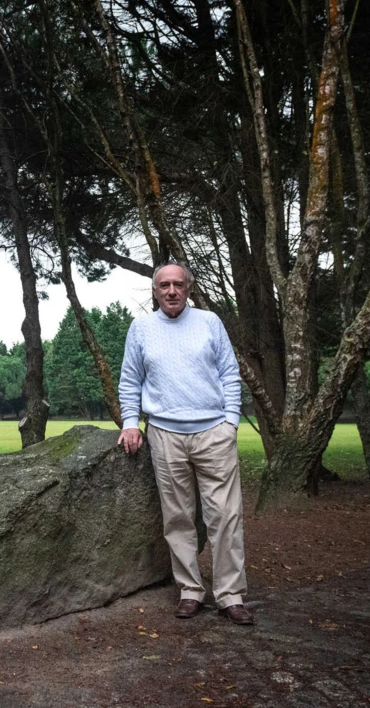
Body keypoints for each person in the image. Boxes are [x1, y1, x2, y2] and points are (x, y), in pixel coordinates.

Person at [117, 263, 253, 625]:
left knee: (225, 516)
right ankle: (190, 590)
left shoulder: (210, 322)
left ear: (189, 288)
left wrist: (231, 422)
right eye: (164, 285)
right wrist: (131, 423)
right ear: (155, 291)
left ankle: (230, 595)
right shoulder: (141, 329)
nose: (172, 291)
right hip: (164, 434)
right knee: (177, 518)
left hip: (214, 433)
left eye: (178, 284)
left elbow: (229, 373)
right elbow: (130, 380)